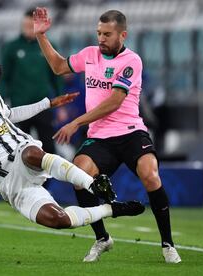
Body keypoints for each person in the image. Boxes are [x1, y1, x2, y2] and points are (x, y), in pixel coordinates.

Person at [33, 7, 181, 263]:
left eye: (107, 34)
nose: (101, 38)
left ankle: (167, 244)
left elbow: (114, 101)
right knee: (79, 177)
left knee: (150, 173)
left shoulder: (131, 61)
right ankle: (102, 239)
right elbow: (58, 67)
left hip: (130, 131)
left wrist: (76, 122)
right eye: (99, 33)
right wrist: (41, 36)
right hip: (100, 137)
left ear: (122, 35)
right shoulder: (90, 54)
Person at [0, 57, 144, 235]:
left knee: (30, 153)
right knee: (59, 220)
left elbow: (10, 114)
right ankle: (111, 209)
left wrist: (48, 103)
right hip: (9, 183)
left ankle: (93, 185)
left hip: (20, 151)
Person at [0, 8, 64, 154]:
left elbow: (57, 75)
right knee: (20, 147)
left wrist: (61, 106)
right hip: (19, 107)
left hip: (43, 104)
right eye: (25, 26)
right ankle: (22, 177)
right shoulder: (11, 47)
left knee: (48, 146)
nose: (28, 29)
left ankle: (49, 177)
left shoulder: (48, 46)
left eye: (31, 26)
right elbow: (4, 78)